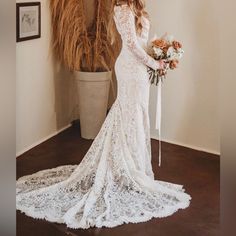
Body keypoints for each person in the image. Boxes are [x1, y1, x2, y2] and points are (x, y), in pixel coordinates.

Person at [16, 0, 191, 229]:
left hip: (140, 68)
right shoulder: (122, 9)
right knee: (128, 114)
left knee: (137, 115)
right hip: (130, 67)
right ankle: (125, 170)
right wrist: (154, 63)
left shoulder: (138, 8)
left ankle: (136, 168)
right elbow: (130, 44)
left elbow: (142, 43)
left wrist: (160, 56)